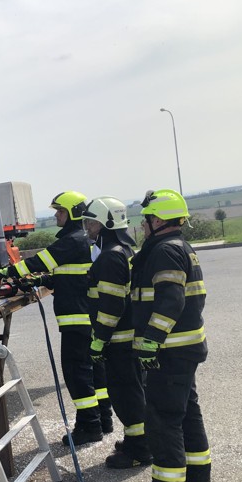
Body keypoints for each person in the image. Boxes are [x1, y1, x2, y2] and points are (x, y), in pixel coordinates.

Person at [132, 189, 211, 482]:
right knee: (186, 413)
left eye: (146, 218)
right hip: (184, 349)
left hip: (171, 351)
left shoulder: (165, 251)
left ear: (158, 218)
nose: (143, 225)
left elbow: (171, 301)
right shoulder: (180, 247)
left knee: (163, 419)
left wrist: (151, 341)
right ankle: (197, 478)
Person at [0, 191, 101, 445]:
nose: (56, 214)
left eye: (60, 211)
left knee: (77, 374)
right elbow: (69, 275)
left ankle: (89, 427)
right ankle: (102, 420)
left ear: (72, 214)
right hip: (82, 317)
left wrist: (5, 272)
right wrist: (44, 281)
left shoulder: (72, 240)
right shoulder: (80, 239)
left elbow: (39, 261)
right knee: (91, 371)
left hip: (76, 319)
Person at [83, 197, 151, 468]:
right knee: (133, 392)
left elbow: (111, 305)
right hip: (127, 338)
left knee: (126, 396)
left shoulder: (111, 256)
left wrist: (99, 340)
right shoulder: (123, 250)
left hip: (119, 341)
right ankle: (137, 441)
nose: (87, 227)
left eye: (91, 222)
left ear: (105, 224)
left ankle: (140, 451)